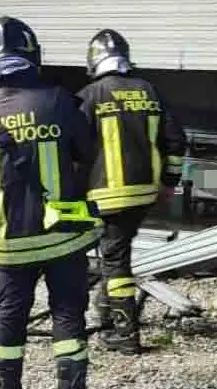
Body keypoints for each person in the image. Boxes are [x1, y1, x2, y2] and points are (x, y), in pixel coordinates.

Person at [0, 16, 101, 389]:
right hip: (63, 237)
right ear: (33, 56)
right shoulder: (61, 102)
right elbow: (88, 153)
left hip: (11, 241)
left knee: (10, 321)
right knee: (67, 316)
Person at [77, 29, 187, 355]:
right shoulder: (148, 91)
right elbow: (176, 141)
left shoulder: (89, 96)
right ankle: (108, 312)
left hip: (107, 195)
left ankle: (125, 333)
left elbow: (72, 147)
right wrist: (169, 183)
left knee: (114, 259)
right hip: (144, 194)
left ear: (94, 61)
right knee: (117, 252)